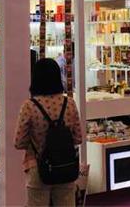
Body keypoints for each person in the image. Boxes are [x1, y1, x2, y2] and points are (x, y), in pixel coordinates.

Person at [14, 58, 83, 206]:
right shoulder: (69, 103)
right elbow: (78, 138)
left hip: (38, 167)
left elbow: (19, 142)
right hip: (66, 166)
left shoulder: (29, 106)